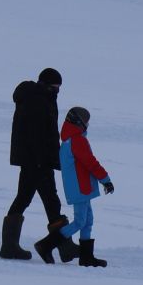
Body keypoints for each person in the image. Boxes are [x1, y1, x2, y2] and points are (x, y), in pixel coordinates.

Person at [4, 68, 71, 262]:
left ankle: (63, 247)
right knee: (44, 200)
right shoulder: (38, 100)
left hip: (36, 159)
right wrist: (43, 160)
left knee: (35, 199)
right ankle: (61, 246)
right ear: (45, 85)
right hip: (38, 160)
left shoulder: (39, 97)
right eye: (55, 87)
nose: (57, 90)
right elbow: (37, 135)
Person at [49, 105, 112, 267]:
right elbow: (90, 162)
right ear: (79, 123)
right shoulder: (77, 140)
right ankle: (46, 245)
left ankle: (86, 256)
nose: (88, 125)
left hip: (81, 187)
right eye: (86, 122)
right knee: (80, 221)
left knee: (88, 220)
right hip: (81, 187)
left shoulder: (69, 140)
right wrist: (105, 179)